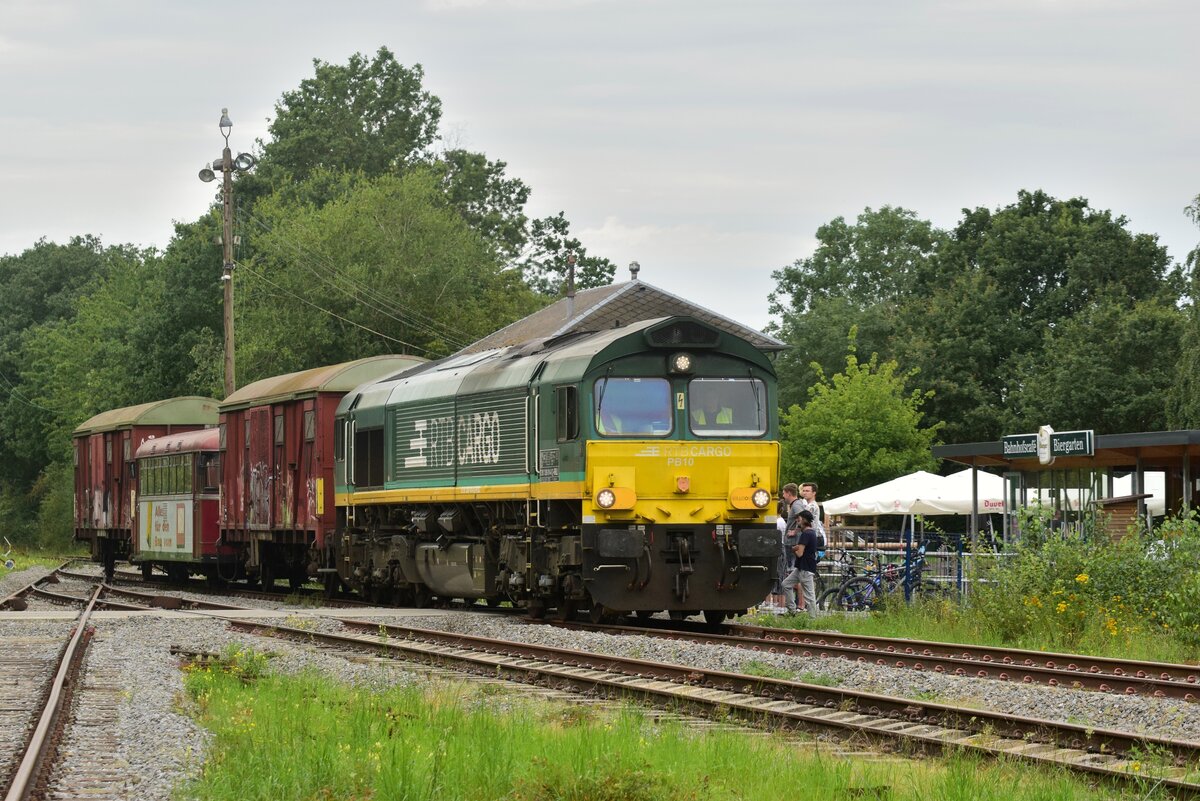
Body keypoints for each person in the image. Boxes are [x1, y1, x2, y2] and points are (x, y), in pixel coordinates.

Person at [782, 508, 819, 615]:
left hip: (805, 568)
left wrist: (793, 550)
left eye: (799, 519)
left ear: (804, 520)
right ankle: (792, 611)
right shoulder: (811, 533)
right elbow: (805, 546)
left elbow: (800, 553)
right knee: (786, 584)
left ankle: (813, 618)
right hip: (801, 568)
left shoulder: (806, 534)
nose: (797, 521)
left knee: (809, 595)